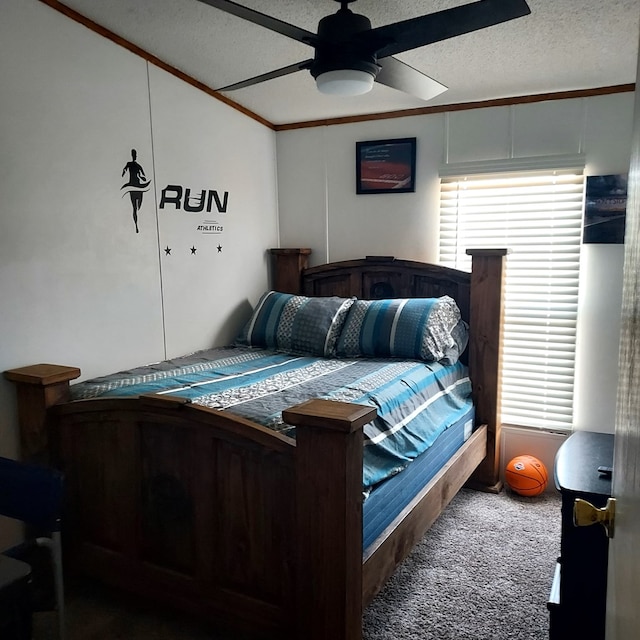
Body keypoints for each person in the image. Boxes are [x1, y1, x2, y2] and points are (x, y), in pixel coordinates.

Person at [121, 149, 150, 233]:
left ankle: (138, 224)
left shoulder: (138, 166)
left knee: (137, 207)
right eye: (134, 154)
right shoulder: (129, 164)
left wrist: (140, 177)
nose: (134, 156)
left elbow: (144, 177)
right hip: (133, 187)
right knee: (134, 207)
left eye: (135, 154)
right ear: (132, 155)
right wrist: (123, 172)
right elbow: (124, 170)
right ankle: (136, 225)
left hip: (137, 186)